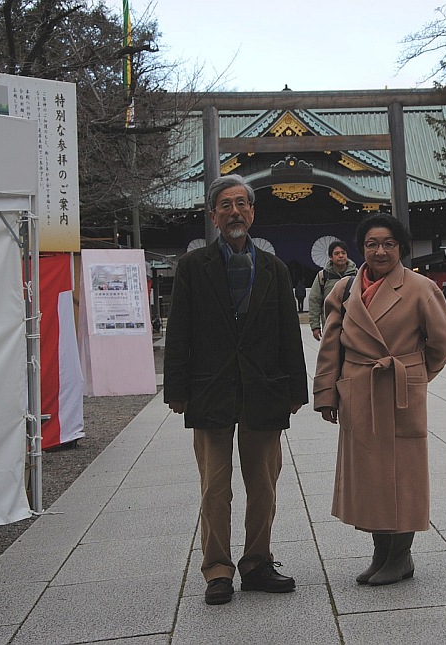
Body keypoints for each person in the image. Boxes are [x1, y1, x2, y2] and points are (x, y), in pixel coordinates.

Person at [164, 174, 308, 606]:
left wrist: (296, 388)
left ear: (253, 212)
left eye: (242, 204)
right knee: (215, 486)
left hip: (264, 388)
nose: (234, 212)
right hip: (210, 389)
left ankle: (257, 562)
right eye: (225, 205)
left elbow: (288, 332)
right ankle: (218, 569)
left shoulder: (275, 269)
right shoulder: (193, 267)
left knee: (263, 484)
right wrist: (176, 387)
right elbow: (179, 331)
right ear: (213, 216)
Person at [313, 214, 446, 586]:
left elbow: (443, 343)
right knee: (370, 477)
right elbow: (330, 346)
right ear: (361, 248)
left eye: (388, 244)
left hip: (398, 392)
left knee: (403, 475)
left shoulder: (421, 288)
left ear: (400, 248)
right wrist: (326, 393)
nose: (380, 251)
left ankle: (400, 556)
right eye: (372, 244)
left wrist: (413, 375)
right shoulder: (344, 289)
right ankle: (381, 552)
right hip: (359, 391)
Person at [308, 239, 357, 340]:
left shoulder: (357, 274)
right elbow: (314, 300)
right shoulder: (323, 276)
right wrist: (315, 326)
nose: (341, 256)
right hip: (330, 325)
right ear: (330, 257)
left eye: (343, 253)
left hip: (353, 324)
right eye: (337, 253)